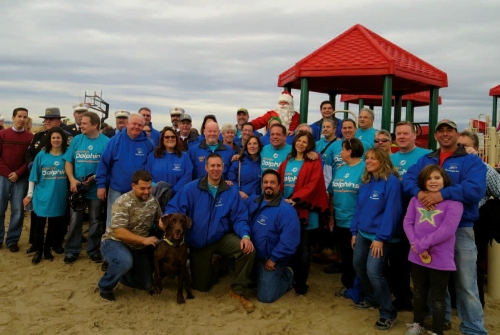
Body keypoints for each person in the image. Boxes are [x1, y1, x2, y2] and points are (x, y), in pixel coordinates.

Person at [403, 119, 487, 335]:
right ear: (435, 135)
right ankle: (442, 319)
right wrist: (420, 193)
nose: (445, 134)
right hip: (429, 231)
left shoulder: (470, 160)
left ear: (457, 134)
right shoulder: (427, 159)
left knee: (466, 283)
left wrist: (442, 194)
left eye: (450, 130)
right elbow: (408, 179)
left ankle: (473, 328)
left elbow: (475, 189)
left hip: (461, 228)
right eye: (441, 130)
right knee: (436, 281)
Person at [165, 153, 256, 312]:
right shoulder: (191, 188)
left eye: (218, 166)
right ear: (206, 167)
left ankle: (237, 290)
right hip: (199, 242)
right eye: (212, 166)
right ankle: (217, 267)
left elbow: (240, 217)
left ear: (223, 167)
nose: (215, 169)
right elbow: (175, 209)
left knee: (247, 250)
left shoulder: (230, 191)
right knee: (200, 287)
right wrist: (165, 218)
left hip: (221, 237)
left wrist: (245, 236)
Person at [403, 164, 463, 335]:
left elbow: (447, 230)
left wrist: (422, 245)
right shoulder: (416, 200)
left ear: (444, 179)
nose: (433, 181)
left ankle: (438, 330)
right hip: (416, 255)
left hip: (440, 257)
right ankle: (418, 324)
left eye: (437, 177)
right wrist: (415, 244)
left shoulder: (454, 203)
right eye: (429, 178)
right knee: (420, 292)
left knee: (438, 297)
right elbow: (408, 222)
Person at [351, 147, 402, 331]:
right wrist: (354, 231)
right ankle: (371, 298)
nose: (369, 161)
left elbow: (392, 212)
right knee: (358, 264)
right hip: (363, 233)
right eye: (367, 158)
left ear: (383, 160)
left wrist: (380, 238)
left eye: (373, 158)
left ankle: (388, 312)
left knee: (374, 270)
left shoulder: (391, 182)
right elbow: (359, 209)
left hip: (381, 236)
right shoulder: (366, 181)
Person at [97, 170, 163, 301]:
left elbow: (159, 221)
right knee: (124, 261)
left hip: (137, 246)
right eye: (142, 188)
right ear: (133, 186)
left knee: (146, 284)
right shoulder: (122, 202)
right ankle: (105, 285)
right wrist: (144, 240)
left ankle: (121, 274)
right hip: (114, 242)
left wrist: (167, 226)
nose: (146, 192)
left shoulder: (153, 202)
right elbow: (119, 232)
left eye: (149, 188)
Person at [277, 131, 329, 295]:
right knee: (290, 245)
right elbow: (279, 182)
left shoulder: (313, 162)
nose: (301, 144)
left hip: (306, 209)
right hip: (287, 210)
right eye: (299, 140)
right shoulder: (287, 162)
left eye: (305, 142)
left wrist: (297, 198)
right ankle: (290, 278)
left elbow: (314, 185)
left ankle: (301, 283)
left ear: (309, 145)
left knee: (304, 248)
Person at [389, 121, 431, 313]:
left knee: (420, 257)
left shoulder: (426, 155)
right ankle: (403, 296)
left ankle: (426, 301)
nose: (402, 137)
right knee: (398, 258)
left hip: (420, 213)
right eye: (399, 134)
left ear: (415, 136)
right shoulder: (391, 157)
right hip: (396, 212)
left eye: (406, 133)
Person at [458, 130, 500, 308]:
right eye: (458, 145)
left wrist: (488, 214)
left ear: (475, 148)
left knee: (473, 267)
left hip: (475, 225)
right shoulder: (450, 168)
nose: (461, 149)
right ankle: (455, 303)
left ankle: (475, 306)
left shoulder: (486, 170)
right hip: (451, 224)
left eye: (465, 145)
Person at [63, 111, 110, 264]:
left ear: (95, 125)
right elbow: (68, 161)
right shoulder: (77, 140)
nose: (80, 125)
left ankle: (93, 250)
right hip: (77, 189)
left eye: (84, 123)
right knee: (75, 220)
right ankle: (72, 250)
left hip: (96, 189)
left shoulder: (106, 142)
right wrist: (71, 180)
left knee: (95, 220)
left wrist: (95, 178)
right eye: (80, 123)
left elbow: (110, 166)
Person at [247, 169, 300, 303]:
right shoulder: (253, 202)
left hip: (271, 259)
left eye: (272, 182)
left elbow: (290, 240)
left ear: (279, 185)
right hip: (253, 255)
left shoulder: (286, 210)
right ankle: (258, 277)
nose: (268, 185)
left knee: (266, 296)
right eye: (265, 182)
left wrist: (274, 258)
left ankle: (288, 275)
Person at [24, 107, 71, 254]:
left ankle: (56, 243)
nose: (47, 121)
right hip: (41, 181)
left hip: (59, 184)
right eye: (46, 119)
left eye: (51, 119)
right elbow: (30, 153)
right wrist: (32, 166)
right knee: (38, 217)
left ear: (59, 120)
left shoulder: (68, 137)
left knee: (59, 217)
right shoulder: (38, 136)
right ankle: (35, 244)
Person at [96, 113, 154, 228]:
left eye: (139, 125)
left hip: (138, 192)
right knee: (114, 223)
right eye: (134, 124)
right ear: (127, 124)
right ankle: (110, 245)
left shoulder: (148, 144)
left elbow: (150, 167)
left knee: (135, 223)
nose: (136, 127)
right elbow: (104, 164)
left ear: (143, 127)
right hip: (116, 189)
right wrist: (101, 185)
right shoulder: (114, 141)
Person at [327, 138, 365, 296]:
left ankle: (359, 288)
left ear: (350, 151)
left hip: (356, 222)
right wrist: (331, 216)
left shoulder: (364, 168)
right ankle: (349, 285)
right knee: (345, 255)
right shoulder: (341, 169)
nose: (341, 152)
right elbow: (332, 193)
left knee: (356, 258)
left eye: (343, 149)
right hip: (339, 219)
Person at [0, 107, 33, 252]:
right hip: (2, 177)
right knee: (0, 209)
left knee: (18, 210)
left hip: (21, 178)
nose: (21, 119)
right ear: (13, 117)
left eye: (24, 117)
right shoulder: (2, 134)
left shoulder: (30, 137)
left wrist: (18, 173)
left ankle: (12, 240)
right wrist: (8, 173)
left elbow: (29, 159)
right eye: (19, 116)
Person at [145, 126, 193, 195]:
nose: (170, 139)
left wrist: (174, 191)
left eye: (173, 137)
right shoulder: (152, 156)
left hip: (178, 196)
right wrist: (158, 190)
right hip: (157, 196)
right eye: (167, 137)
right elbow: (147, 175)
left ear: (176, 139)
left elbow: (188, 176)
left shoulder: (184, 156)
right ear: (162, 139)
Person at [228, 135, 263, 200]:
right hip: (242, 199)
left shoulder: (263, 162)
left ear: (259, 146)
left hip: (259, 200)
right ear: (246, 146)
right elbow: (231, 180)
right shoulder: (239, 162)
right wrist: (238, 191)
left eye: (255, 143)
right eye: (249, 144)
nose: (252, 146)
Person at [316, 118, 339, 188]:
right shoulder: (316, 144)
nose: (325, 129)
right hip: (319, 181)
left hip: (335, 180)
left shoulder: (340, 144)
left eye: (328, 127)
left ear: (334, 129)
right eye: (324, 127)